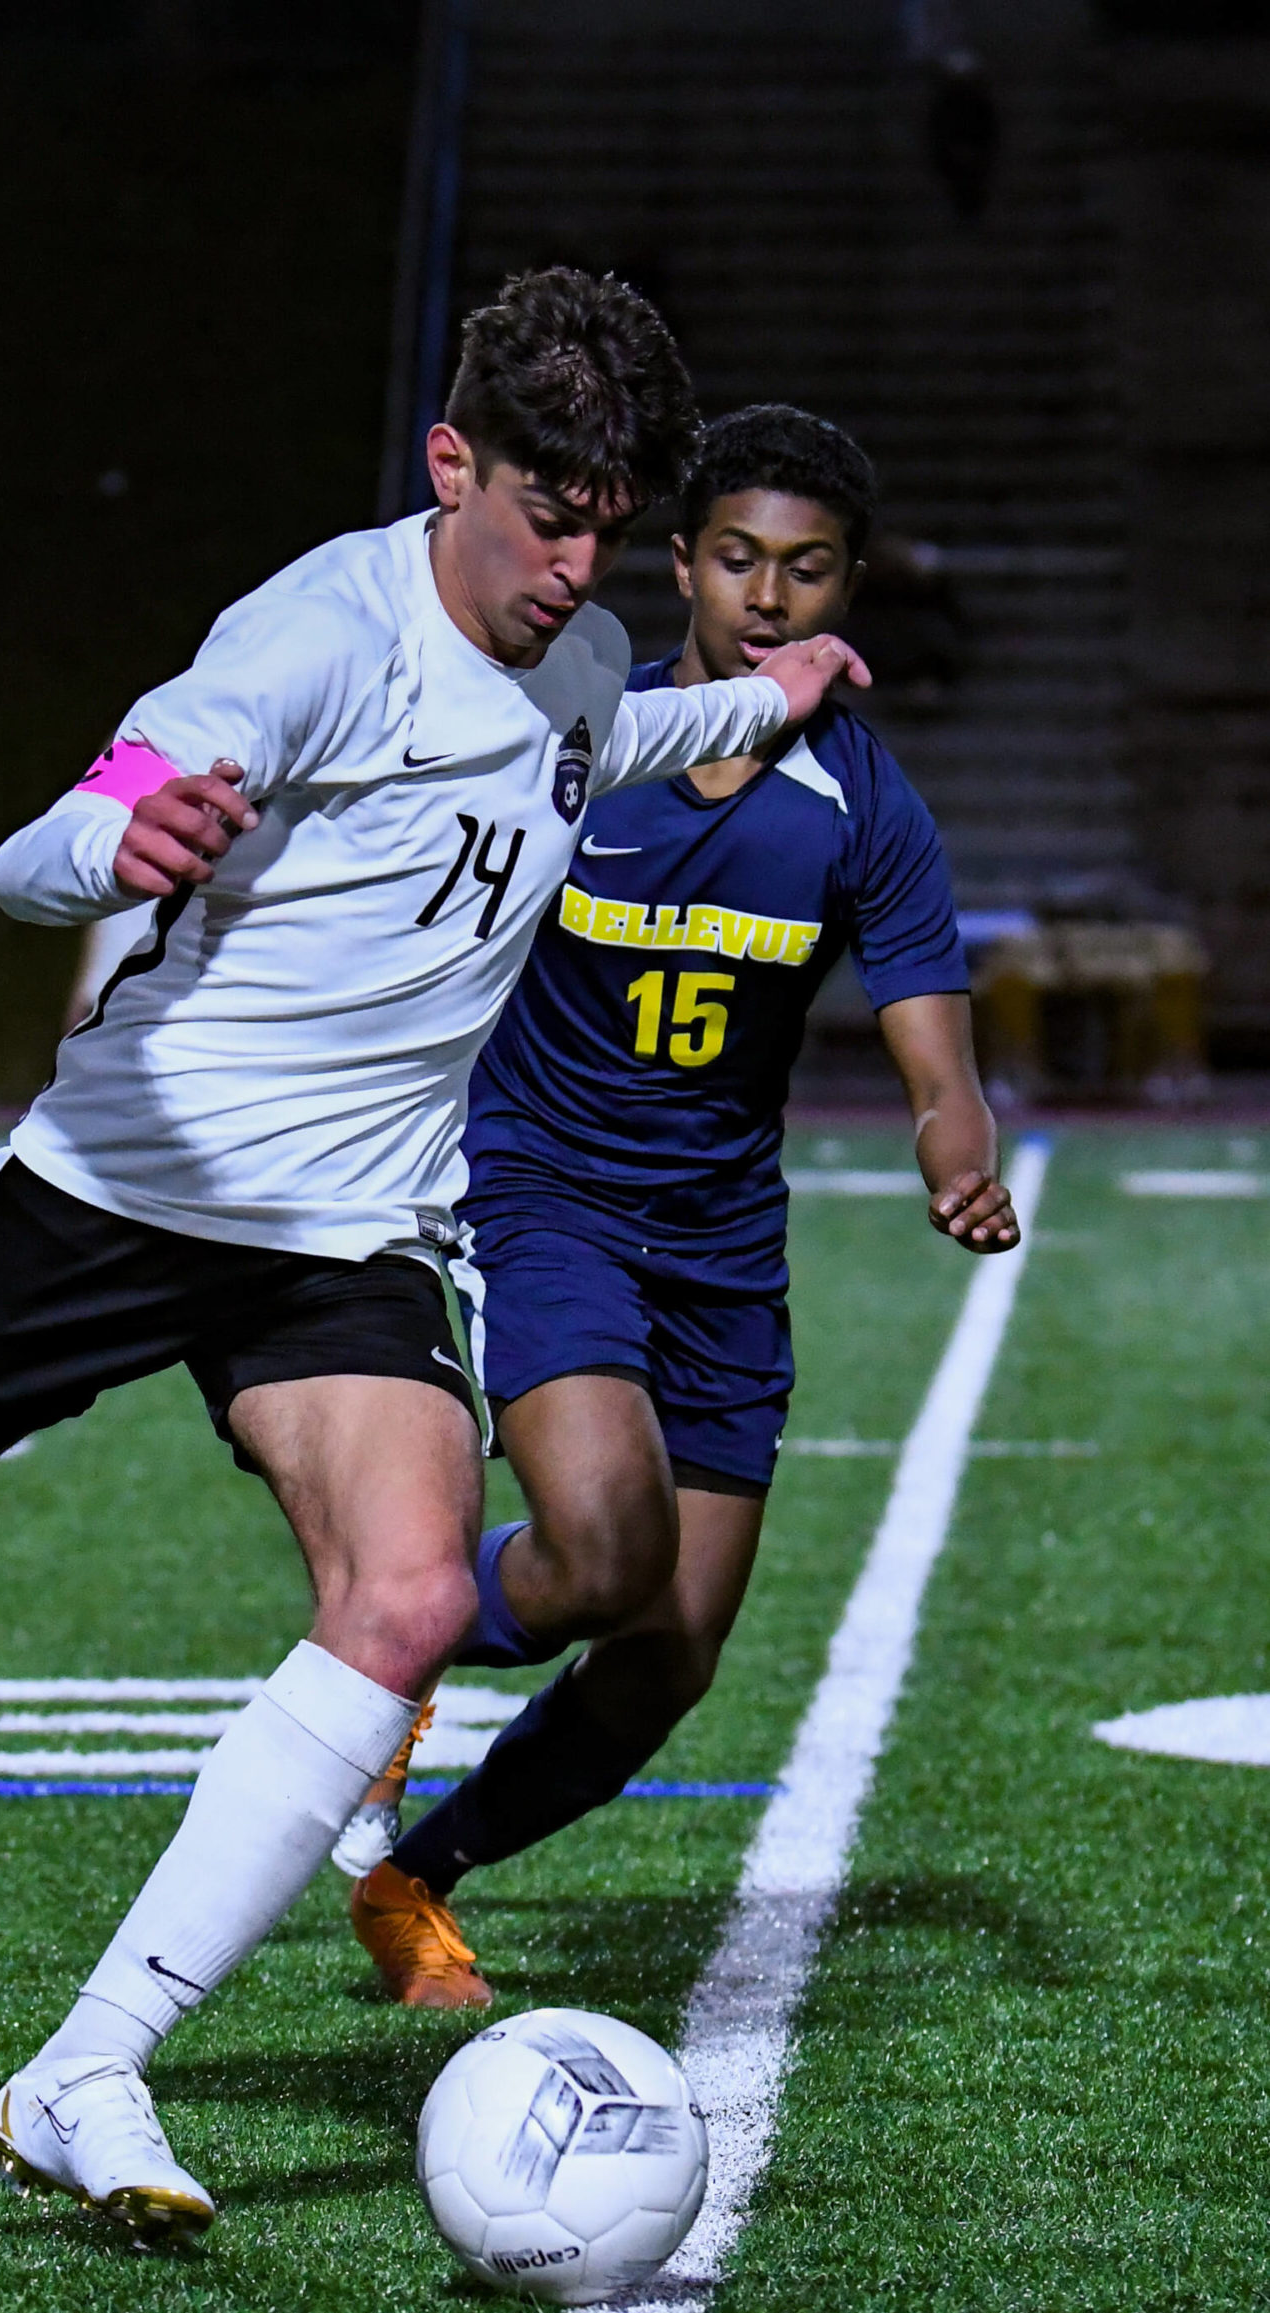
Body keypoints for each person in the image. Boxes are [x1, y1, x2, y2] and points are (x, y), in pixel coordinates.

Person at [0, 278, 868, 2235]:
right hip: (130, 1179)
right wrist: (120, 851)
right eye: (541, 511)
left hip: (350, 1233)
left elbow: (604, 738)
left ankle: (84, 2065)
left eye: (605, 521)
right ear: (447, 462)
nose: (573, 563)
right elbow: (57, 830)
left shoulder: (572, 655)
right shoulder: (312, 638)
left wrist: (768, 701)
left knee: (400, 1595)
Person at [348, 403, 1017, 2009]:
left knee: (672, 1650)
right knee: (594, 1549)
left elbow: (941, 1057)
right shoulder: (578, 742)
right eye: (737, 561)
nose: (768, 598)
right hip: (545, 1194)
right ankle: (398, 1627)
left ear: (850, 587)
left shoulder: (869, 810)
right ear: (681, 567)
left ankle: (411, 1876)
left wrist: (961, 1159)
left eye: (806, 570)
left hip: (721, 1244)